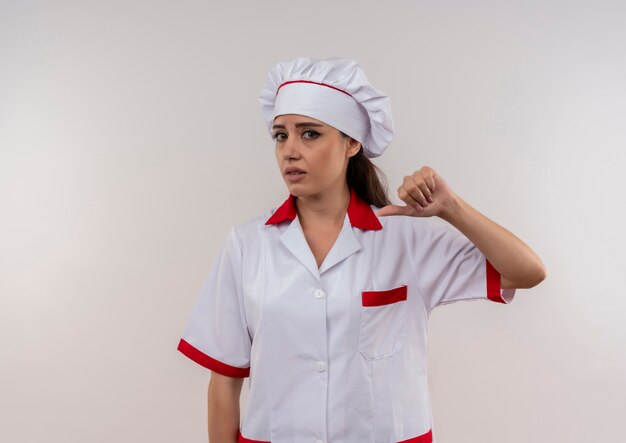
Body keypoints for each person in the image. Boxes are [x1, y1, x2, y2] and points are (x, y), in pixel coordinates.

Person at [177, 56, 546, 443]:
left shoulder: (405, 239)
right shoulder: (247, 245)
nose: (289, 150)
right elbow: (225, 380)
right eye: (280, 135)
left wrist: (452, 209)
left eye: (310, 133)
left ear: (352, 142)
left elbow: (527, 271)